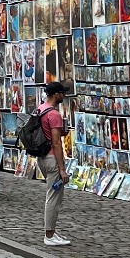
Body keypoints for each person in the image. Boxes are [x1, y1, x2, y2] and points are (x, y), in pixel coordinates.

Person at [40, 80, 72, 246]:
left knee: (52, 196)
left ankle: (51, 231)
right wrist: (62, 169)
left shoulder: (40, 109)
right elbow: (57, 143)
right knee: (53, 198)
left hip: (42, 157)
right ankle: (49, 236)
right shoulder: (54, 114)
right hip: (52, 159)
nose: (64, 95)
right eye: (62, 93)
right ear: (56, 94)